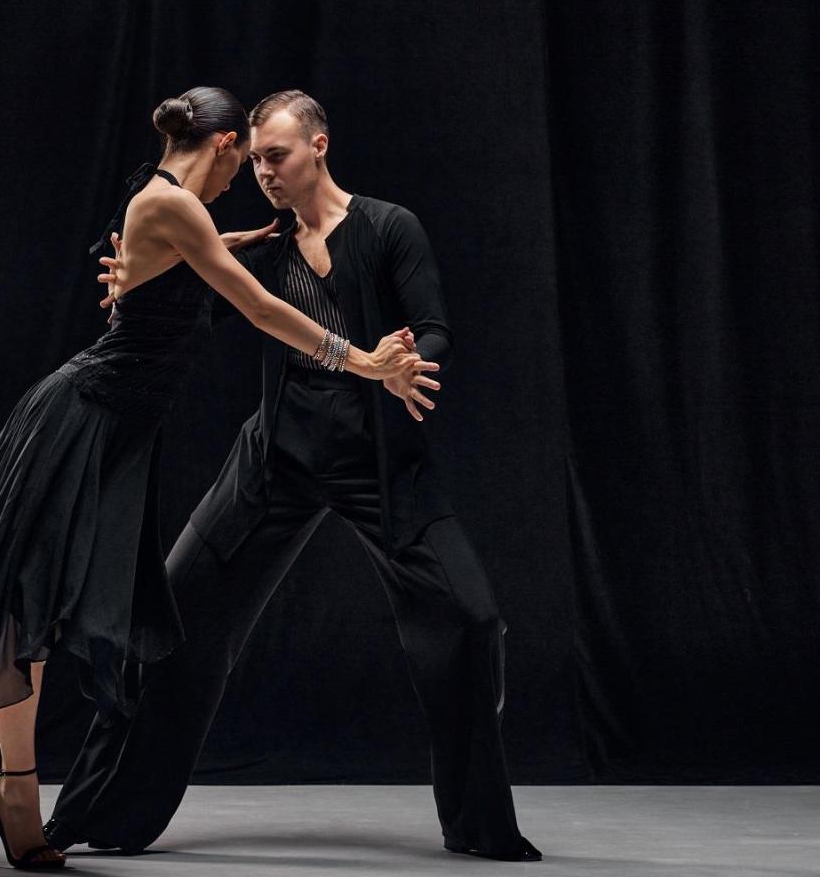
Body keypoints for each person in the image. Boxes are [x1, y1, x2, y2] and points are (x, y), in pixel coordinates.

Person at [0, 86, 435, 870]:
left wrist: (248, 235)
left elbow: (201, 266)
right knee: (14, 593)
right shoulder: (170, 203)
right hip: (85, 417)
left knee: (7, 573)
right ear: (217, 145)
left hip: (114, 430)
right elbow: (254, 308)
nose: (241, 178)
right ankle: (17, 795)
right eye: (238, 163)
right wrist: (363, 361)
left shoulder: (176, 207)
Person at [46, 90, 541, 862]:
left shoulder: (386, 227)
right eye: (256, 160)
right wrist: (130, 279)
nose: (264, 173)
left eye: (276, 156)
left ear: (319, 146)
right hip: (274, 459)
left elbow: (435, 321)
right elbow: (182, 299)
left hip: (376, 466)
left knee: (470, 622)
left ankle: (479, 825)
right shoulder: (266, 244)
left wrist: (411, 356)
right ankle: (99, 816)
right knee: (171, 624)